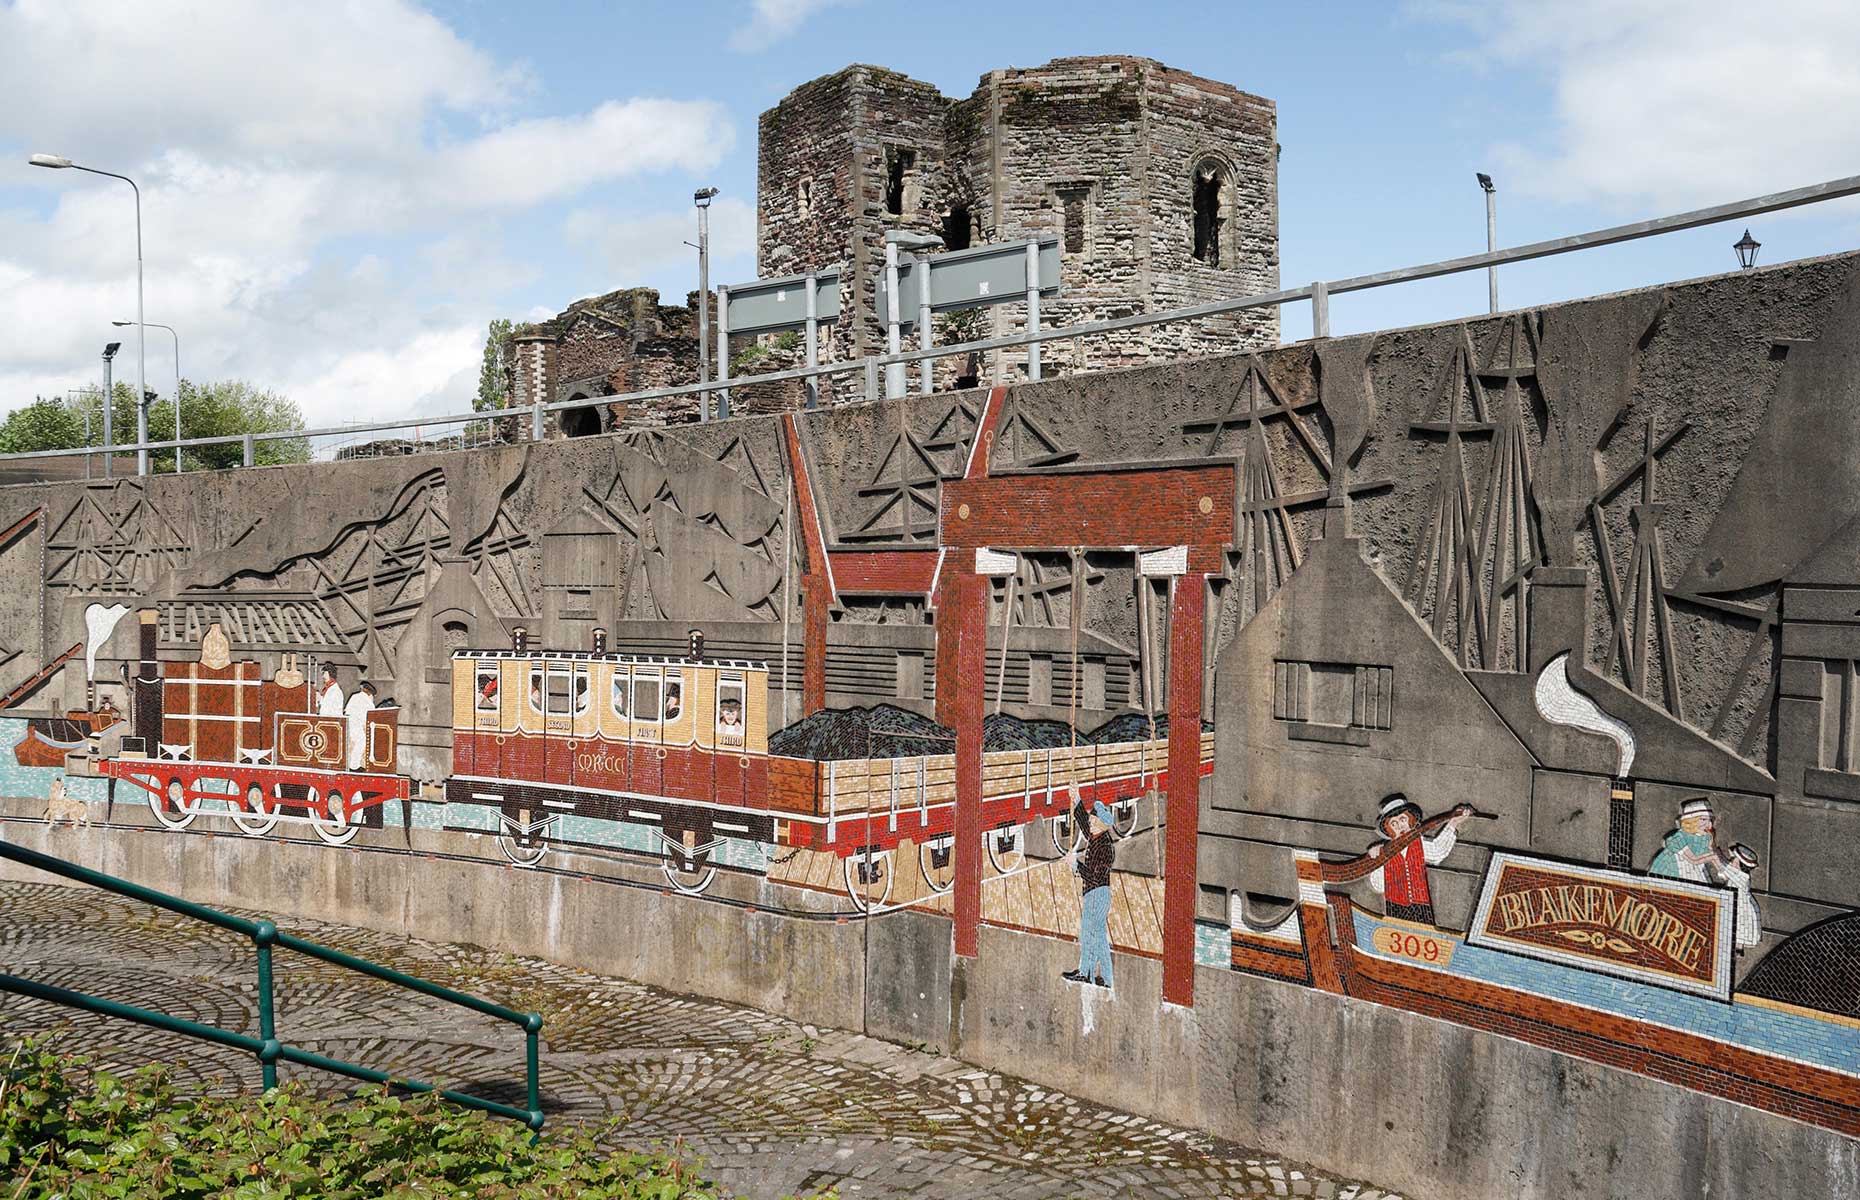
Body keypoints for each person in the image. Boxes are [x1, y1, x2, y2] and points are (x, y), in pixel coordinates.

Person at [1366, 793, 1473, 926]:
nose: (1400, 826)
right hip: (1395, 907)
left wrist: (1453, 823)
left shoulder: (1418, 843)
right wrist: (1376, 860)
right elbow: (1378, 885)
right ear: (1389, 830)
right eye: (1394, 824)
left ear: (1411, 821)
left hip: (1421, 906)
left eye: (1402, 820)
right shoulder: (1385, 851)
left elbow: (1437, 851)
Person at [1063, 799, 1119, 989]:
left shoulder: (1105, 848)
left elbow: (1095, 877)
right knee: (1097, 935)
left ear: (1102, 826)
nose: (1091, 824)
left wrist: (1076, 865)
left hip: (1097, 893)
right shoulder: (1096, 837)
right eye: (1092, 820)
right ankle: (1100, 976)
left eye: (1094, 822)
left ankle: (1088, 973)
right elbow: (1084, 824)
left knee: (1090, 934)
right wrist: (1076, 798)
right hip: (1094, 893)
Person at [1649, 798, 1717, 882]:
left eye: (1710, 820)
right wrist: (1714, 857)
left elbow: (1710, 854)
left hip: (1696, 870)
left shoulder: (1705, 837)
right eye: (1703, 819)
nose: (1709, 825)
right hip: (1673, 868)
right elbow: (1694, 859)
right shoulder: (1679, 837)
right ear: (1691, 821)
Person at [1714, 842, 1763, 952]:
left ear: (1741, 866)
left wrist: (1713, 850)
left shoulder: (1742, 877)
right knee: (1735, 933)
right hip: (1735, 906)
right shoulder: (1736, 874)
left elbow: (1722, 864)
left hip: (1741, 909)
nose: (1732, 863)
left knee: (1738, 933)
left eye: (1735, 862)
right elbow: (1723, 868)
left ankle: (1736, 952)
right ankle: (1734, 952)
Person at [344, 681, 376, 770]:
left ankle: (352, 764)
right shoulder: (367, 700)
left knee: (353, 745)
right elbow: (369, 716)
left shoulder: (354, 696)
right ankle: (354, 766)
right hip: (356, 725)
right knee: (361, 742)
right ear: (370, 693)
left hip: (349, 724)